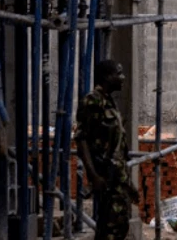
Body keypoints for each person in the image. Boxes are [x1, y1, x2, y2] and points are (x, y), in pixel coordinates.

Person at [75, 60, 139, 240]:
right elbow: (82, 140)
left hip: (118, 178)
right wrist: (93, 175)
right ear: (106, 77)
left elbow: (120, 147)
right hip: (105, 178)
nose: (122, 77)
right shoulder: (92, 101)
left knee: (119, 225)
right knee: (111, 228)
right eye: (118, 73)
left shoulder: (109, 102)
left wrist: (129, 184)